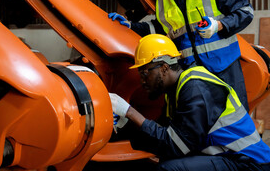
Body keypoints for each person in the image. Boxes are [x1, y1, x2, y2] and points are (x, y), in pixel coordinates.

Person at [108, 0, 253, 112]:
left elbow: (245, 11)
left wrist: (219, 26)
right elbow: (161, 29)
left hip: (225, 70)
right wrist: (131, 26)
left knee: (235, 122)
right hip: (193, 76)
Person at [110, 34, 270, 171]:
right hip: (228, 156)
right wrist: (126, 124)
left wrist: (129, 111)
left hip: (249, 163)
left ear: (164, 68)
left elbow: (176, 146)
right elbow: (161, 137)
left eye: (145, 73)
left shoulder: (195, 88)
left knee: (169, 168)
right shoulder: (175, 92)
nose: (142, 81)